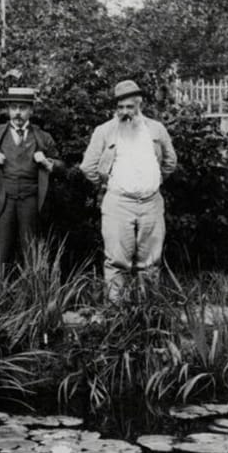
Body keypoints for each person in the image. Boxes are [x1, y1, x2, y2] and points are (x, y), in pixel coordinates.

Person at [79, 80, 177, 302]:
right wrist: (107, 184)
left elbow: (170, 161)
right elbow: (88, 166)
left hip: (151, 203)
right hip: (118, 204)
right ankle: (117, 313)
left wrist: (156, 179)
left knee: (151, 262)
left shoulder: (155, 129)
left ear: (139, 104)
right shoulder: (104, 131)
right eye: (120, 107)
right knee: (117, 261)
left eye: (129, 107)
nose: (125, 113)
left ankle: (148, 312)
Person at [0, 87, 63, 271]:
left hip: (31, 199)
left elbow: (62, 166)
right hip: (3, 199)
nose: (17, 113)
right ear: (8, 110)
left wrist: (47, 162)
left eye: (22, 108)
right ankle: (0, 292)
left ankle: (32, 292)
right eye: (13, 108)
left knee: (31, 250)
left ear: (31, 111)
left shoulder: (42, 137)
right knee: (1, 251)